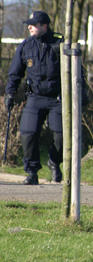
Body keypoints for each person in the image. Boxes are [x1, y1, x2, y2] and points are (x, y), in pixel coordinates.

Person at [5, 11, 64, 185]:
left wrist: (81, 91)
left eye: (34, 24)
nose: (29, 26)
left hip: (57, 98)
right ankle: (32, 172)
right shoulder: (26, 46)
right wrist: (10, 93)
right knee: (28, 134)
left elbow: (77, 70)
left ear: (44, 26)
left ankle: (54, 161)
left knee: (61, 136)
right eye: (29, 24)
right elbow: (15, 73)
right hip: (35, 98)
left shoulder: (59, 43)